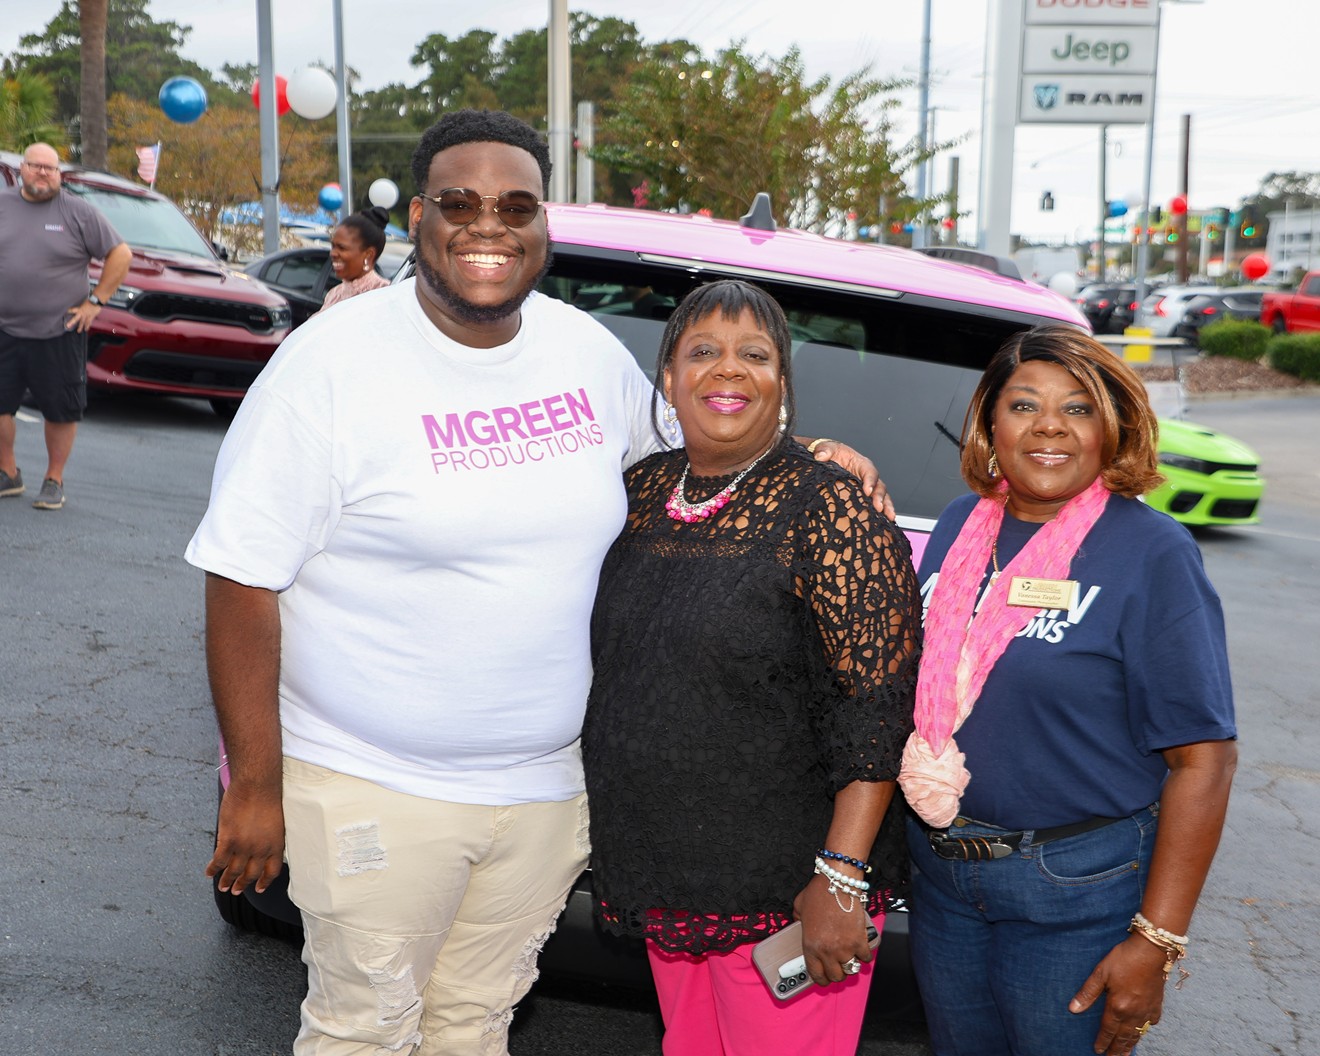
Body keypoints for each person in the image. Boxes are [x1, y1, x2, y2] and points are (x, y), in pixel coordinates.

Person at [185, 109, 888, 1056]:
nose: (488, 226)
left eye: (515, 204)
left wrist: (815, 458)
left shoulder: (582, 352)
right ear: (419, 218)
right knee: (364, 1029)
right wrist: (255, 787)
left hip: (549, 796)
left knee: (477, 1023)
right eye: (459, 203)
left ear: (543, 223)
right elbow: (239, 581)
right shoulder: (329, 368)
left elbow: (700, 456)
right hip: (375, 786)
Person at [583, 279, 921, 1056]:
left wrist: (839, 877)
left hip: (788, 894)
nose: (726, 371)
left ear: (782, 382)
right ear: (667, 378)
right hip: (672, 876)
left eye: (754, 355)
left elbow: (875, 706)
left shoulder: (828, 506)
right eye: (702, 352)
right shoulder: (638, 492)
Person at [898, 325, 1237, 1056]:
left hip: (1077, 890)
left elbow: (1203, 762)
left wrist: (1156, 940)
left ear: (1111, 428)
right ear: (991, 423)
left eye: (1078, 409)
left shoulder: (1152, 551)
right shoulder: (960, 526)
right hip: (944, 876)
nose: (1049, 426)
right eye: (1024, 405)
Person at [0, 142, 132, 511]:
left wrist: (96, 303)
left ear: (60, 174)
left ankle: (53, 479)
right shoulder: (4, 205)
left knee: (60, 410)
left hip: (59, 330)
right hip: (5, 328)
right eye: (36, 166)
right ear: (21, 169)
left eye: (51, 168)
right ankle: (7, 473)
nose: (43, 173)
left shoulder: (78, 213)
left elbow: (120, 254)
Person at [318, 206, 391, 313]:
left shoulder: (383, 294)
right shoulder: (334, 294)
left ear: (369, 255)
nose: (333, 253)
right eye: (333, 246)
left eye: (342, 248)